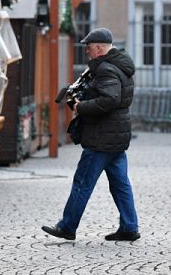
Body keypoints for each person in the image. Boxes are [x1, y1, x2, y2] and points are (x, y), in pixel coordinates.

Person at [42, 28, 141, 242]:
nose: (86, 51)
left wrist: (81, 106)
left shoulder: (106, 69)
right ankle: (129, 227)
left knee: (82, 182)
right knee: (120, 183)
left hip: (101, 138)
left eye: (88, 48)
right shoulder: (119, 65)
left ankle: (67, 226)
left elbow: (110, 99)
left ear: (98, 47)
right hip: (116, 136)